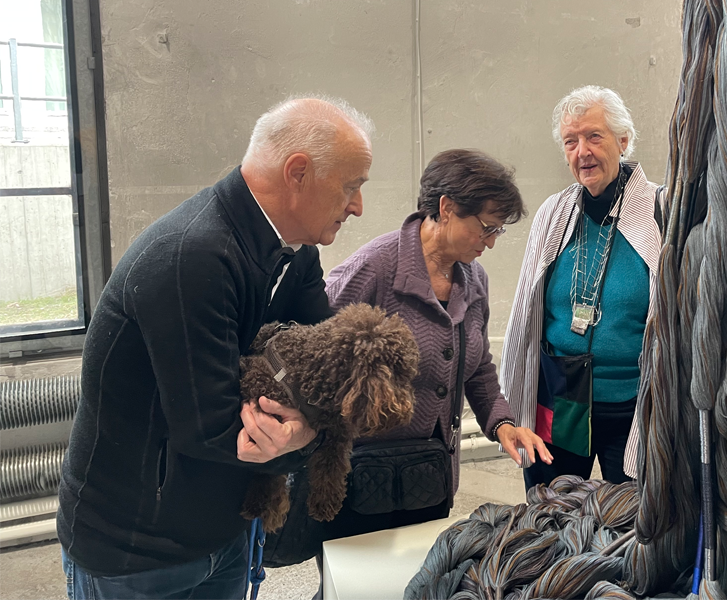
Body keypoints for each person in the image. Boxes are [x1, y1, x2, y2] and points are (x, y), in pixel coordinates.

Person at [56, 96, 373, 600]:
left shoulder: (297, 254)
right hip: (137, 552)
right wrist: (306, 431)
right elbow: (214, 427)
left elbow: (328, 375)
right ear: (297, 172)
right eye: (351, 186)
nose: (357, 205)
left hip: (225, 525)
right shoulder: (191, 257)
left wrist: (304, 427)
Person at [302, 149, 552, 599]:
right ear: (446, 207)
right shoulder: (373, 268)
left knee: (420, 585)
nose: (491, 241)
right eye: (487, 226)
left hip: (429, 477)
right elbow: (312, 354)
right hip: (361, 478)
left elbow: (476, 367)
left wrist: (503, 422)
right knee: (358, 588)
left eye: (498, 230)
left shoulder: (473, 280)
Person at [500, 85, 662, 490]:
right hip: (560, 396)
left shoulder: (661, 210)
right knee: (548, 513)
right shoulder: (553, 212)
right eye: (571, 142)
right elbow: (526, 311)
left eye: (594, 137)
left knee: (629, 524)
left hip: (630, 402)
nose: (582, 152)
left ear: (623, 141)